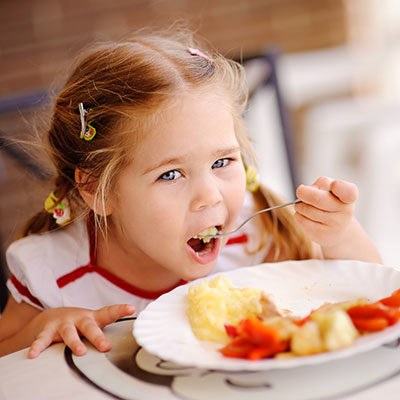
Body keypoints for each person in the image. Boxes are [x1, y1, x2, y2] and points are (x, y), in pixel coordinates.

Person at [0, 30, 381, 358]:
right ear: (97, 190)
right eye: (170, 174)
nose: (210, 197)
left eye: (221, 163)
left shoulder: (254, 235)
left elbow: (370, 297)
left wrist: (341, 237)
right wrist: (44, 327)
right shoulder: (56, 274)